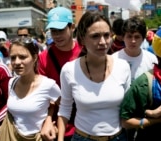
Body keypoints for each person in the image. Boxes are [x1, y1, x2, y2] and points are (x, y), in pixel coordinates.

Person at [57, 11, 131, 141]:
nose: (102, 42)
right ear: (82, 38)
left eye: (106, 35)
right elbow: (64, 109)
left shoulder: (123, 67)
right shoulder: (69, 70)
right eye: (95, 36)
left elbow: (128, 109)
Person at [0, 37, 61, 141]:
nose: (17, 62)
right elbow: (12, 117)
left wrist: (49, 120)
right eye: (13, 57)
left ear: (35, 57)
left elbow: (65, 109)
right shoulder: (12, 83)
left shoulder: (48, 85)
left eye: (22, 57)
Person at [38, 6, 82, 141]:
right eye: (53, 31)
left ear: (72, 27)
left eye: (61, 30)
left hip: (86, 124)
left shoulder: (85, 52)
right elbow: (44, 95)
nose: (56, 35)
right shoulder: (44, 57)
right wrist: (48, 120)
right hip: (59, 127)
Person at [112, 16, 158, 82]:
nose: (133, 41)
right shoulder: (114, 59)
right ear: (123, 37)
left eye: (137, 37)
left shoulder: (152, 60)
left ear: (143, 39)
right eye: (129, 36)